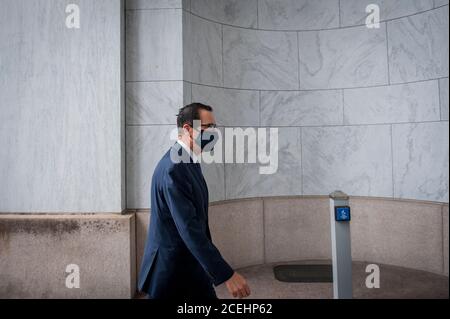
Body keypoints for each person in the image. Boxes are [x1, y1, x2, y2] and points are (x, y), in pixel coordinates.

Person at [137, 103, 251, 300]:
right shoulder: (175, 167)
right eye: (209, 128)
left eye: (216, 127)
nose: (215, 134)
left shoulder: (186, 160)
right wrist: (226, 274)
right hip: (172, 270)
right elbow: (189, 228)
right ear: (189, 129)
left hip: (190, 266)